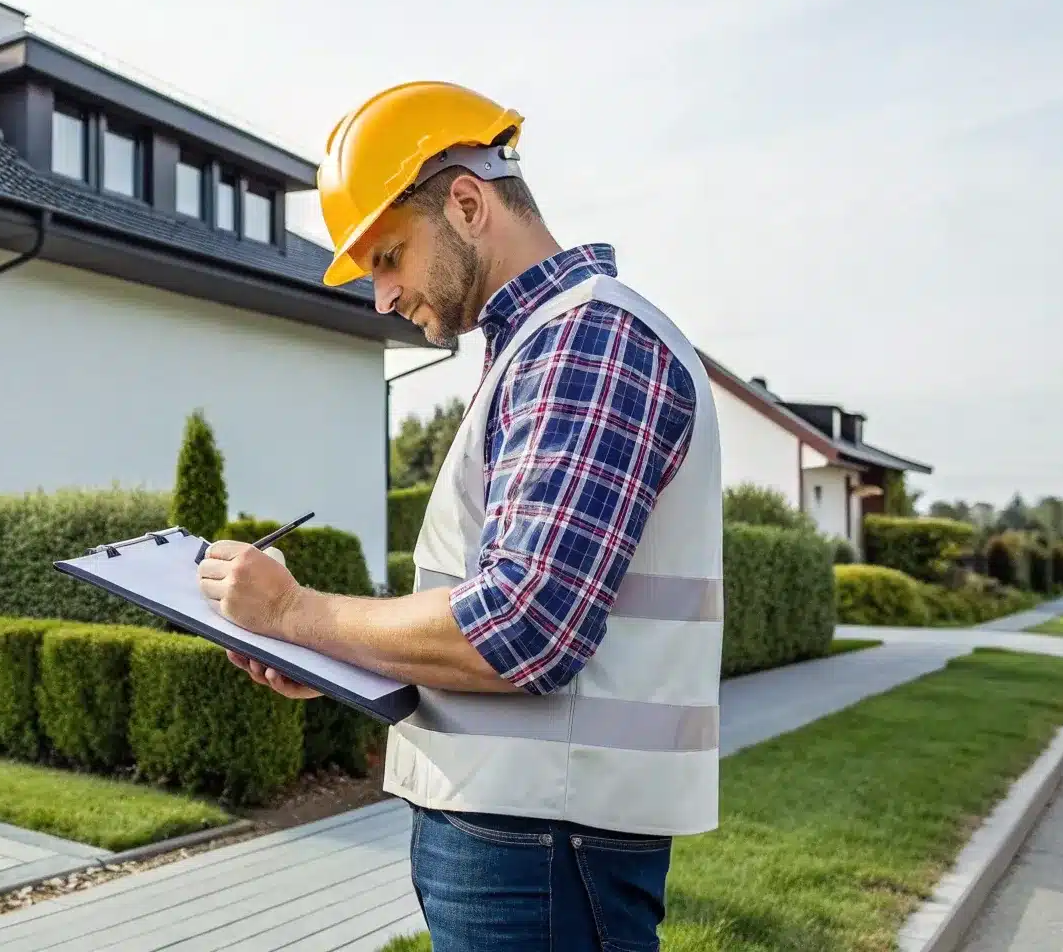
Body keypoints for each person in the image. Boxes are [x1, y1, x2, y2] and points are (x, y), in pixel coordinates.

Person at [197, 81, 723, 952]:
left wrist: (296, 612)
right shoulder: (540, 349)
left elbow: (524, 626)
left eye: (388, 257)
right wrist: (327, 651)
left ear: (468, 204)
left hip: (546, 844)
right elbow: (500, 610)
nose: (381, 297)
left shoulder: (585, 343)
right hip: (530, 832)